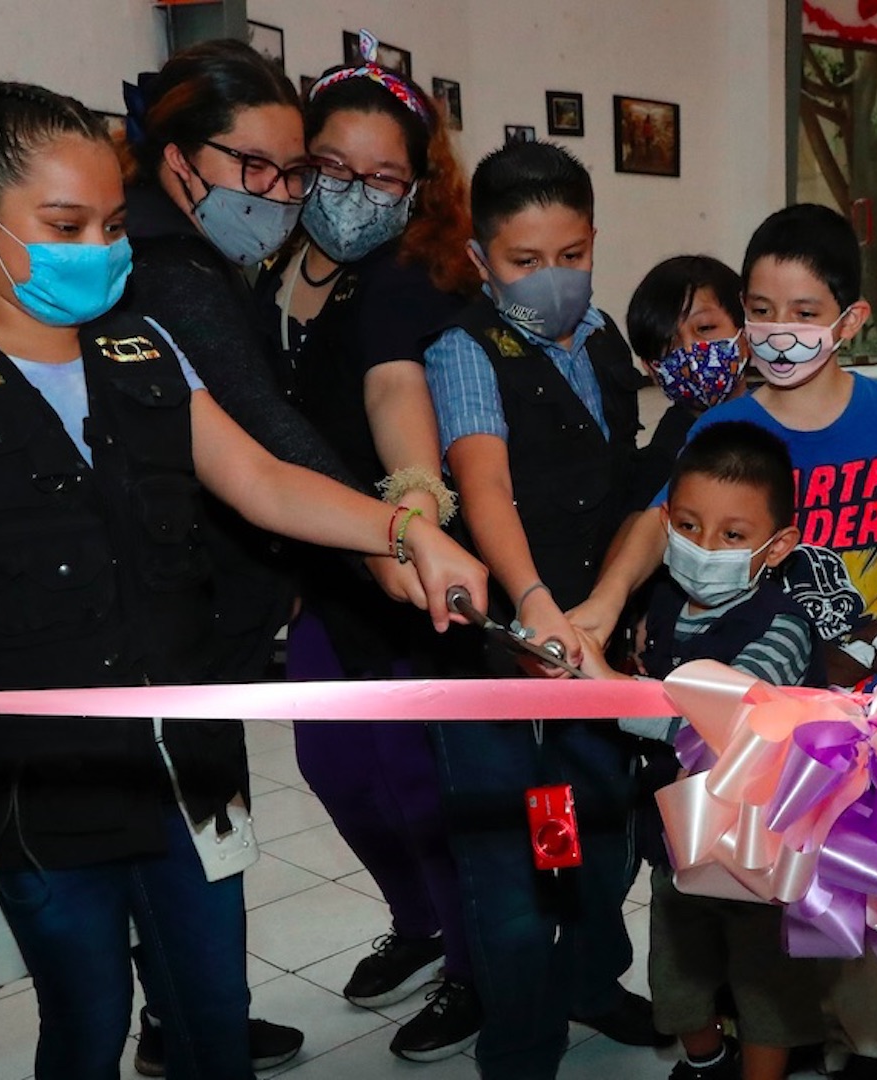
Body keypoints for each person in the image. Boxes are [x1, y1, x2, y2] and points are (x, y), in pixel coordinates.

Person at [0, 80, 487, 1080]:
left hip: (189, 773)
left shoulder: (141, 349)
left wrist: (407, 534)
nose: (102, 248)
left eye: (112, 222)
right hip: (37, 788)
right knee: (89, 1015)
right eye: (65, 224)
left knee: (211, 1007)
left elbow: (266, 482)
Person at [571, 202, 877, 1080]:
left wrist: (866, 607)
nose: (779, 333)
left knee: (864, 879)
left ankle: (862, 1043)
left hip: (876, 702)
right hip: (763, 710)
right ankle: (769, 1028)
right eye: (761, 310)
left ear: (850, 320)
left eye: (805, 313)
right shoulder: (722, 428)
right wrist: (607, 603)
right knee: (763, 879)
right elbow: (658, 520)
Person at [253, 62, 484, 1062]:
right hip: (315, 575)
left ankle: (474, 966)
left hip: (402, 562)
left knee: (419, 780)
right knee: (334, 766)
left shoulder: (406, 278)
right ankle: (420, 923)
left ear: (420, 186)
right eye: (333, 168)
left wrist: (415, 506)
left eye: (383, 178)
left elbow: (395, 392)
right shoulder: (260, 268)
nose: (354, 194)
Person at [120, 38, 343, 1073]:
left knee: (196, 839)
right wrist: (398, 531)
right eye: (253, 166)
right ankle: (196, 1027)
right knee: (196, 841)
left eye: (293, 170)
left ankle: (187, 1018)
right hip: (170, 621)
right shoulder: (171, 273)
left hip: (200, 611)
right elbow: (264, 442)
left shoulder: (213, 259)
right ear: (176, 157)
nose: (279, 191)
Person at [420, 138, 660, 1078]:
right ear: (482, 260)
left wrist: (609, 609)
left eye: (571, 255)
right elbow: (486, 491)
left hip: (594, 648)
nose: (553, 279)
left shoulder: (603, 338)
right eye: (525, 262)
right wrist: (533, 605)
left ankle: (593, 982)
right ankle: (520, 1047)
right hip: (502, 652)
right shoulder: (465, 351)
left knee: (597, 829)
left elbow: (623, 482)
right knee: (515, 866)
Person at [573, 421, 837, 1080]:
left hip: (758, 855)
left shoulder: (781, 627)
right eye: (687, 527)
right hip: (675, 845)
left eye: (732, 536)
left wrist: (614, 692)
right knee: (678, 979)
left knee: (765, 987)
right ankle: (707, 1061)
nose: (703, 548)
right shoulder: (659, 601)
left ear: (777, 548)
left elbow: (728, 727)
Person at [625, 254, 750, 509]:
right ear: (651, 368)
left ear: (746, 330)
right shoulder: (662, 465)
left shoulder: (787, 418)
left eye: (705, 328)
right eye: (669, 344)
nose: (691, 351)